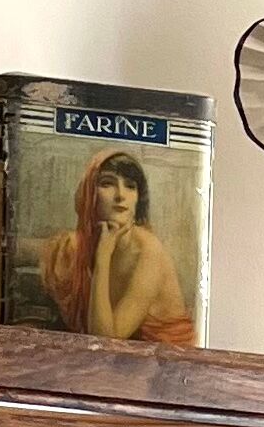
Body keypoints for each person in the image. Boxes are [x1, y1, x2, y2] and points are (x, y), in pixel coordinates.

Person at [38, 148, 196, 346]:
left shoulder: (148, 252)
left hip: (165, 364)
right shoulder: (78, 245)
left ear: (139, 199)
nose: (121, 195)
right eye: (107, 184)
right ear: (90, 194)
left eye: (130, 186)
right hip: (119, 360)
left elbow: (105, 341)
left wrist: (103, 256)